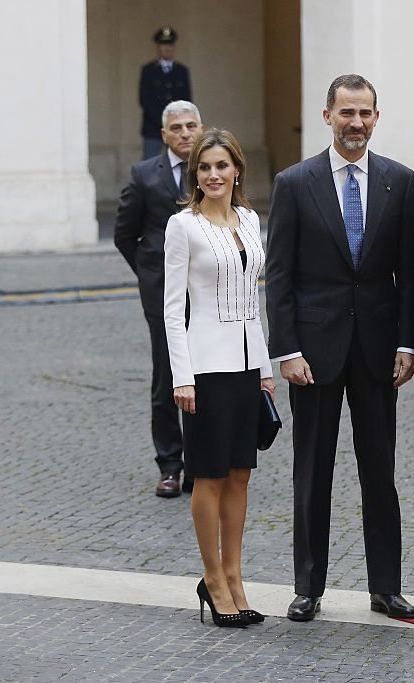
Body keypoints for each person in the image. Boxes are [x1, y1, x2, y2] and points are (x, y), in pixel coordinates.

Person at [265, 74, 414, 622]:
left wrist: (407, 343)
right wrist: (286, 349)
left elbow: (411, 273)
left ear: (377, 117)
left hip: (379, 352)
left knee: (380, 472)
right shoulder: (294, 182)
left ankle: (387, 586)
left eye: (366, 114)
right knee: (313, 471)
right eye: (347, 113)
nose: (356, 123)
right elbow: (279, 276)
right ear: (327, 115)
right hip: (314, 353)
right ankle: (308, 586)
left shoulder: (400, 182)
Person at [163, 128, 274, 628]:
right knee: (207, 475)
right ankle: (212, 578)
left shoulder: (250, 219)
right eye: (204, 167)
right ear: (195, 175)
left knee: (240, 474)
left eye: (221, 166)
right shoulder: (181, 226)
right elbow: (172, 310)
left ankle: (235, 574)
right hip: (205, 367)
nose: (213, 175)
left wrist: (267, 369)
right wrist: (181, 377)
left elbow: (256, 300)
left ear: (237, 171)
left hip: (248, 365)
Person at [114, 100, 202, 498]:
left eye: (191, 125)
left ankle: (201, 465)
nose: (185, 133)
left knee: (206, 377)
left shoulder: (213, 168)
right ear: (164, 134)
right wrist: (152, 275)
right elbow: (124, 234)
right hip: (163, 296)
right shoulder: (144, 174)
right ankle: (170, 465)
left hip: (207, 293)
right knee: (168, 377)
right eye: (177, 128)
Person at [139, 26, 192, 160]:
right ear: (158, 47)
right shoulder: (148, 70)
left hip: (177, 128)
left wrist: (175, 121)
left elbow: (186, 100)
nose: (166, 48)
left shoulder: (182, 71)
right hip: (153, 128)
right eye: (163, 45)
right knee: (151, 166)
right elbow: (144, 99)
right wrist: (163, 120)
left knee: (178, 164)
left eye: (169, 44)